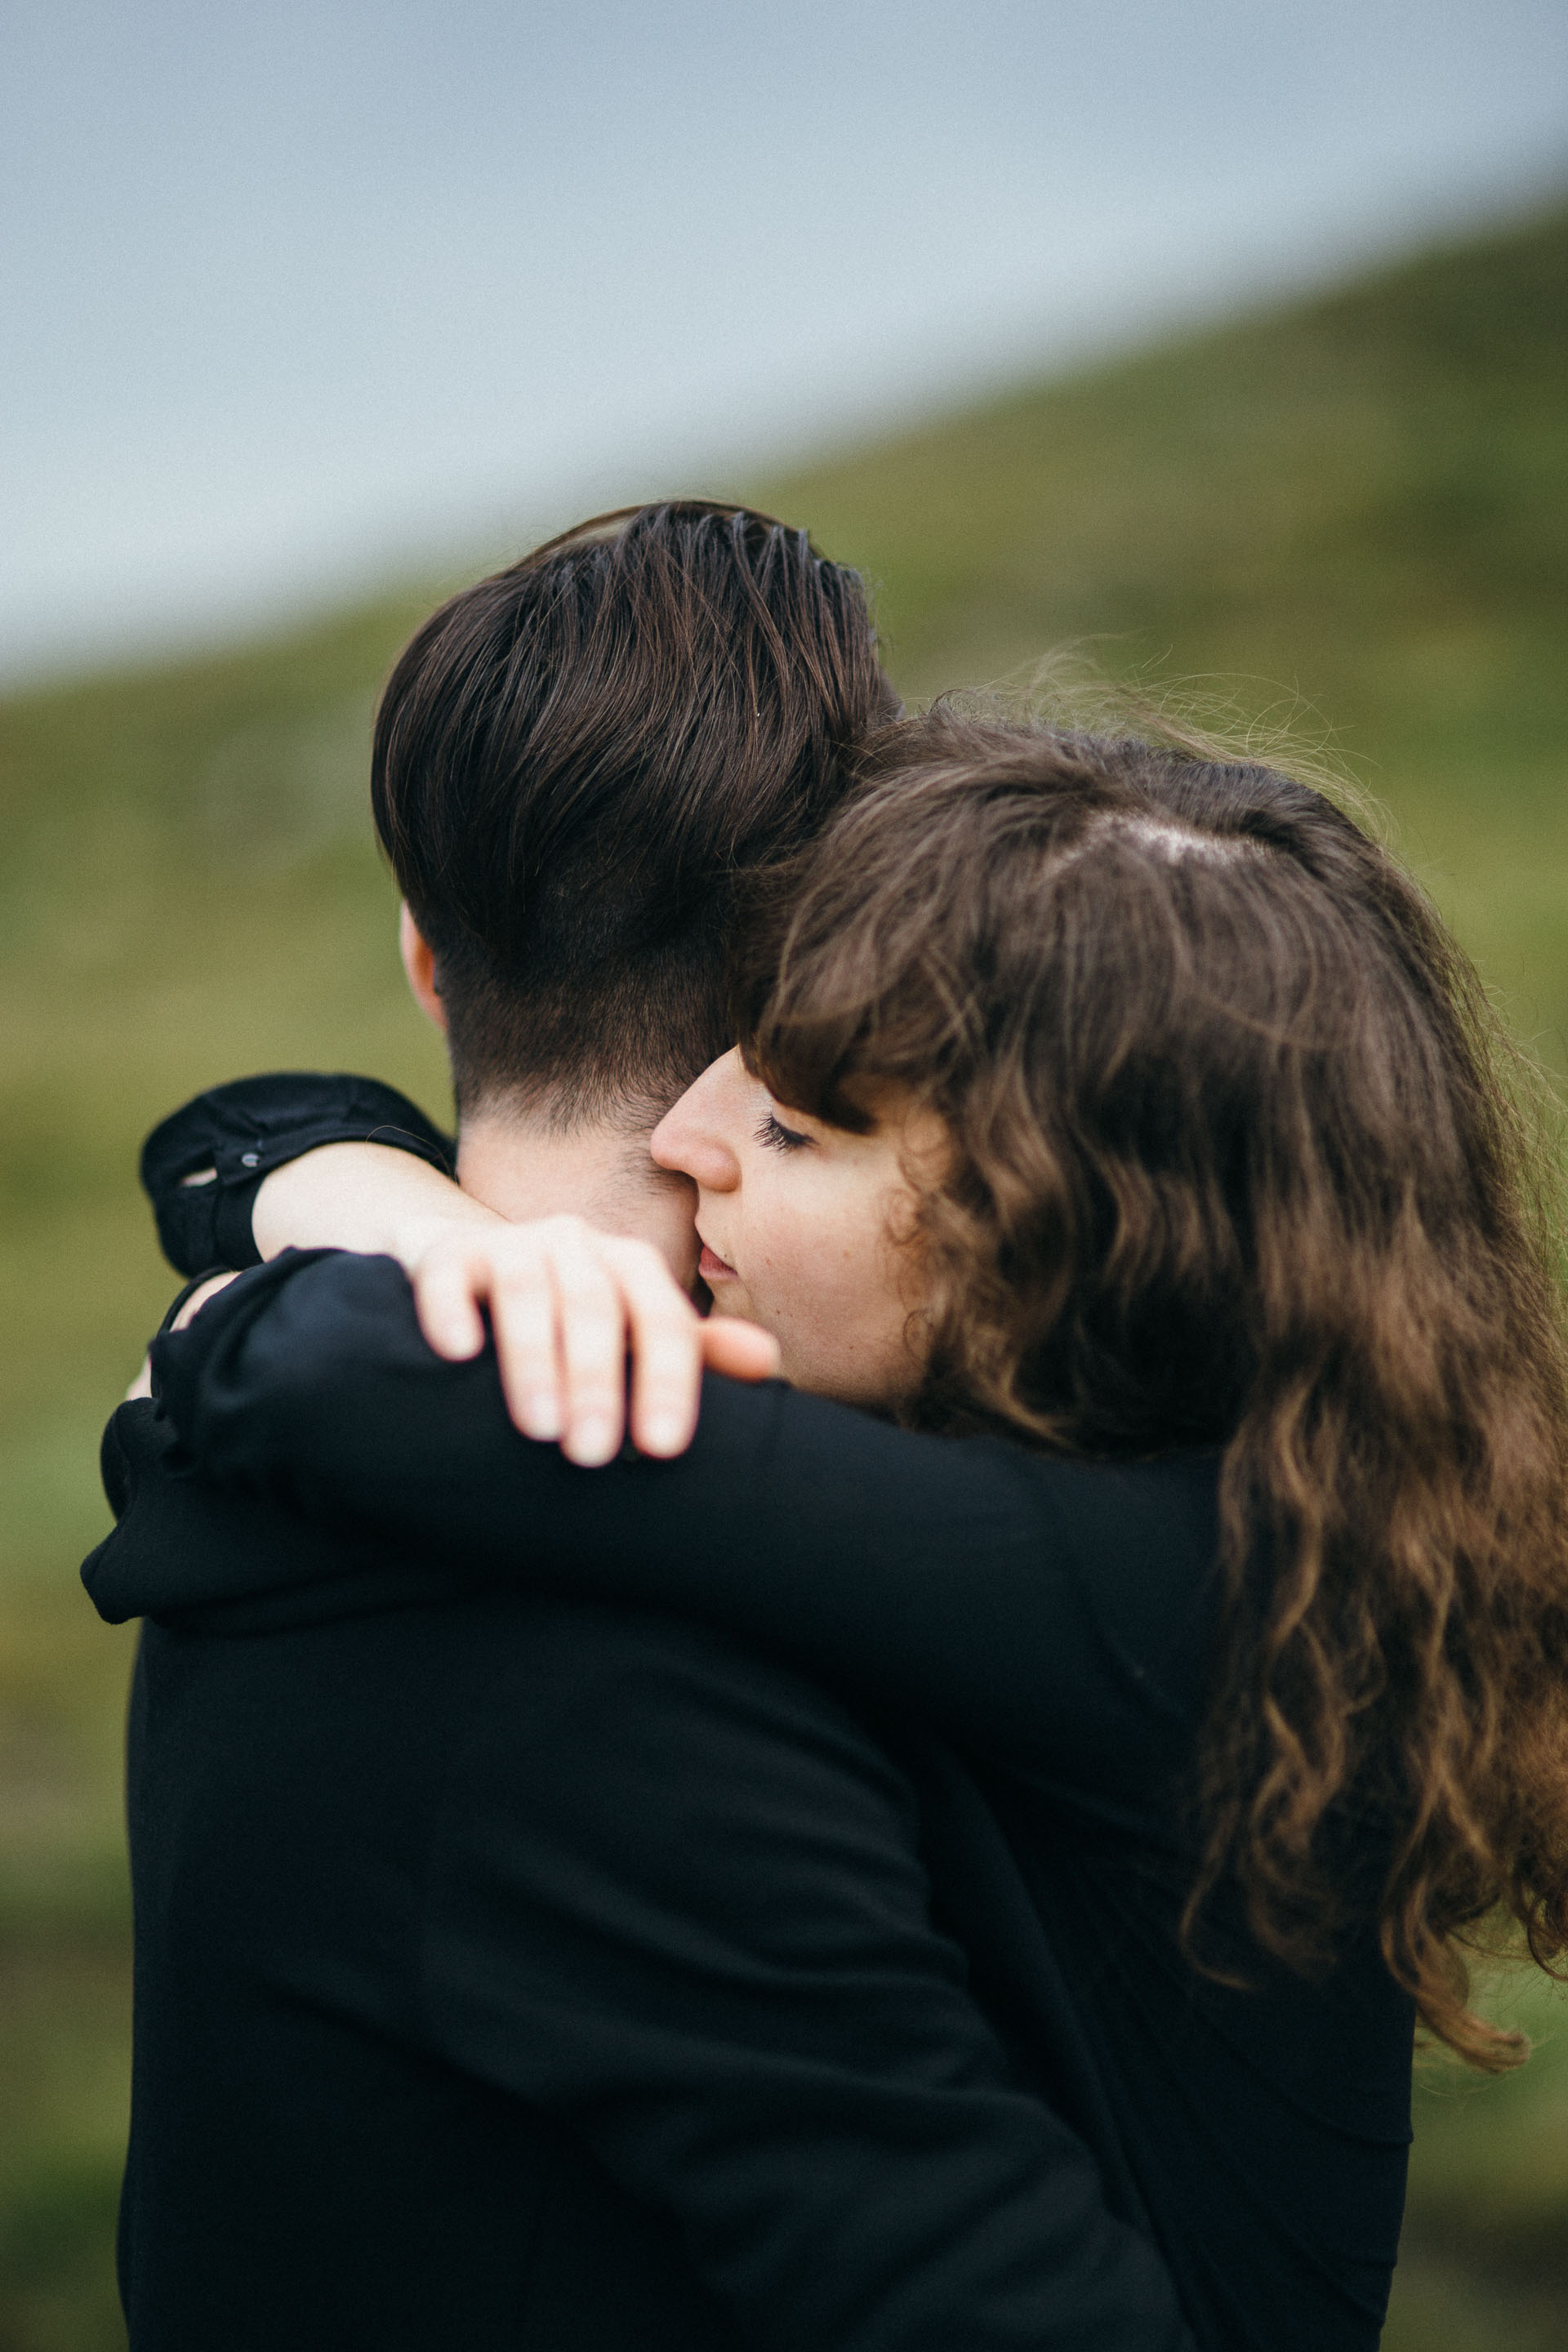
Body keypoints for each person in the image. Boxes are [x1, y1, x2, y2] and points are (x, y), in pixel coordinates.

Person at [118, 710, 1568, 2351]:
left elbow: (335, 1384)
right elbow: (247, 1137)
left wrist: (244, 1302)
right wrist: (350, 1186)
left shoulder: (1162, 1584)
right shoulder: (1270, 1488)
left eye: (803, 1126)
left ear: (1060, 1250)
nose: (686, 1139)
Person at [91, 514, 1196, 2352]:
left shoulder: (302, 1423)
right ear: (842, 943)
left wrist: (311, 1192)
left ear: (427, 963)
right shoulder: (620, 1658)